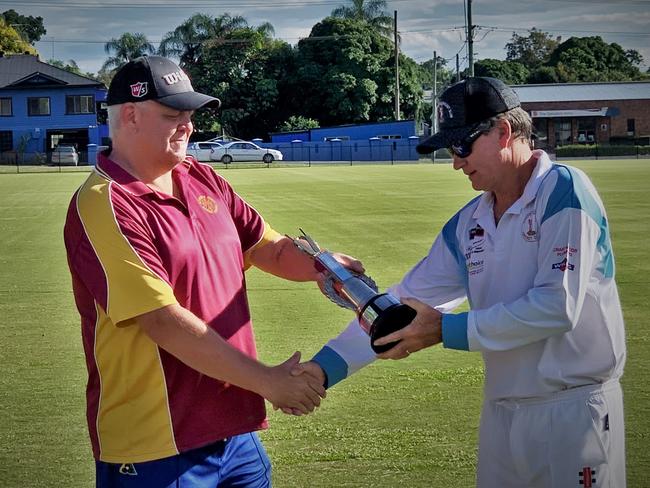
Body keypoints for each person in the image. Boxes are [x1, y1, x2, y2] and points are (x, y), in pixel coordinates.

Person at [298, 77, 627, 487]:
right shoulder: (469, 222)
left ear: (503, 131)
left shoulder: (564, 189)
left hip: (572, 411)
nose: (455, 161)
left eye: (462, 146)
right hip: (502, 410)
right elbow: (403, 302)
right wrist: (321, 370)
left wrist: (444, 330)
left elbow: (556, 307)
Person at [63, 55, 361, 487]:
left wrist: (325, 267)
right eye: (173, 115)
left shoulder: (202, 178)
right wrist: (268, 382)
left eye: (190, 114)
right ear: (129, 115)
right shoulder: (103, 202)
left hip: (236, 435)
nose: (189, 125)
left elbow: (269, 248)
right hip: (155, 448)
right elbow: (161, 320)